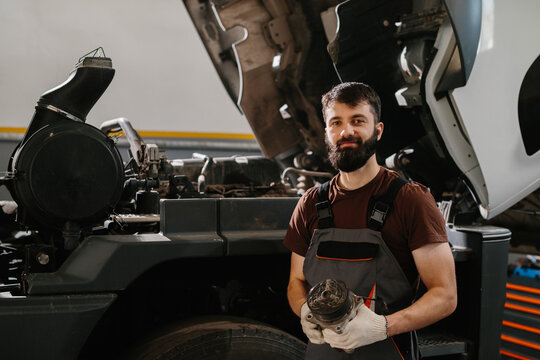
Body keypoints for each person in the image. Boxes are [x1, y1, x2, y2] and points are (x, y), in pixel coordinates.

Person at [284, 82, 457, 359]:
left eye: (357, 121)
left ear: (378, 130)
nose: (346, 131)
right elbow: (296, 280)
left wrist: (382, 327)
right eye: (336, 122)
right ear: (327, 132)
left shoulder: (410, 200)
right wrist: (304, 309)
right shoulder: (310, 204)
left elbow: (445, 296)